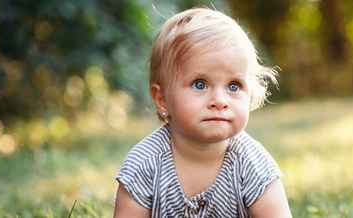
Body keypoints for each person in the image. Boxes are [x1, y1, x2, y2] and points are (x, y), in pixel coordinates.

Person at [114, 7, 291, 217]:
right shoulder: (145, 164)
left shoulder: (253, 163)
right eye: (200, 84)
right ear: (162, 100)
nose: (219, 101)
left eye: (233, 86)